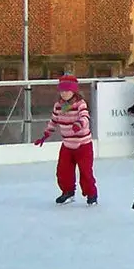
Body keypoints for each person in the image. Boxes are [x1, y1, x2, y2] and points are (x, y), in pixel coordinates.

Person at [34, 74, 97, 205]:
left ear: (73, 91)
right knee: (63, 171)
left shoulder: (80, 103)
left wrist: (78, 125)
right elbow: (54, 121)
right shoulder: (59, 106)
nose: (64, 93)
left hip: (83, 145)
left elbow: (85, 117)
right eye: (62, 90)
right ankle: (68, 192)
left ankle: (91, 194)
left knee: (85, 172)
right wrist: (45, 135)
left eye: (67, 91)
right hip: (67, 145)